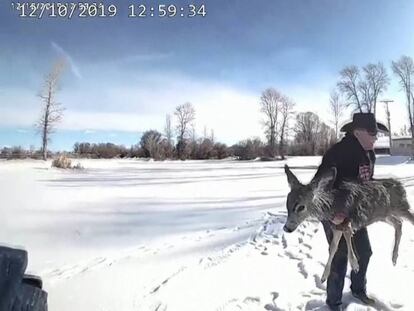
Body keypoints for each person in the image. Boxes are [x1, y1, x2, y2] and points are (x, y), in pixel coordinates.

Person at [314, 112, 389, 311]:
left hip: (355, 213)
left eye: (376, 133)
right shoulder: (337, 154)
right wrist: (334, 214)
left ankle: (358, 290)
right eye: (372, 132)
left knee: (364, 252)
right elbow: (320, 187)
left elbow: (365, 182)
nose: (376, 137)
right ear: (357, 133)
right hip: (333, 213)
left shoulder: (369, 154)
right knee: (339, 257)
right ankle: (334, 303)